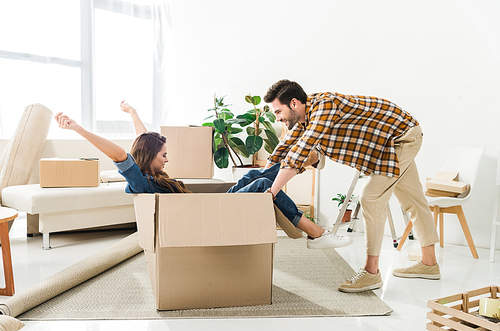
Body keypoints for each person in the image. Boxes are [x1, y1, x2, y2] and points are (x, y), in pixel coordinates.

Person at [53, 102, 352, 248]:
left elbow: (143, 139)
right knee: (261, 183)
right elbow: (121, 155)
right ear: (147, 158)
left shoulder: (152, 175)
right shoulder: (141, 183)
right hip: (206, 218)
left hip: (210, 207)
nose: (167, 157)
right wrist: (77, 128)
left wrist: (132, 112)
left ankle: (305, 160)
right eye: (163, 154)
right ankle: (316, 232)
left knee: (255, 176)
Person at [263, 79, 441, 293]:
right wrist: (263, 176)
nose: (278, 117)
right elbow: (284, 149)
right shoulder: (303, 119)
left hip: (400, 139)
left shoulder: (324, 107)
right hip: (387, 141)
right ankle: (430, 264)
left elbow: (300, 152)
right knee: (412, 199)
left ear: (293, 103)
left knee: (370, 198)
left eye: (278, 111)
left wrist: (271, 193)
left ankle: (371, 272)